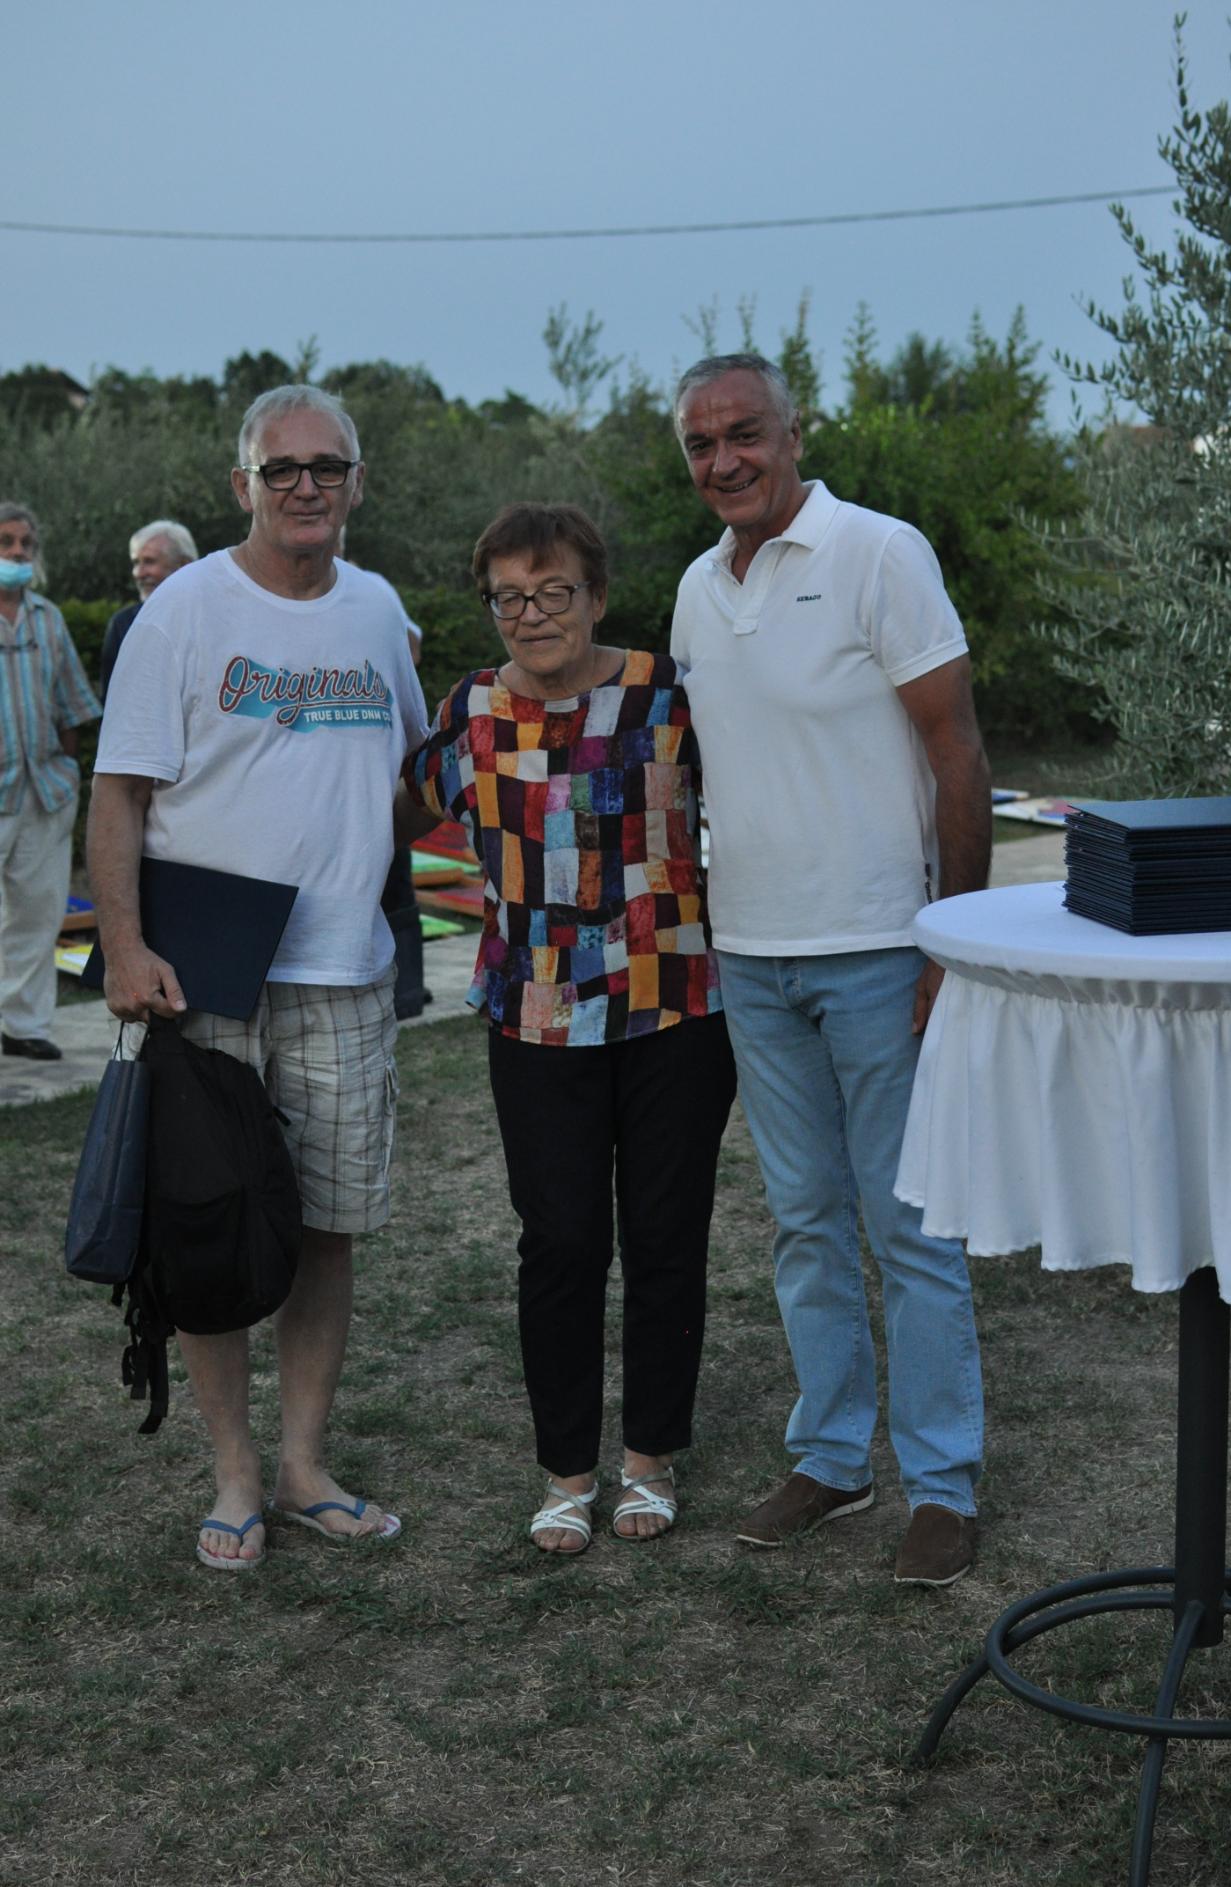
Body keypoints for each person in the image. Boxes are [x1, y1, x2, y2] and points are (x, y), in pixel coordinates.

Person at [88, 385, 428, 1571]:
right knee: (209, 1225)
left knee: (326, 1228)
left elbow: (408, 779)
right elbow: (119, 792)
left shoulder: (379, 612)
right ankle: (233, 1474)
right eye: (280, 469)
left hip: (342, 971)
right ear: (243, 485)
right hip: (206, 979)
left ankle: (302, 1467)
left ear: (356, 483)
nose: (304, 487)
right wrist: (123, 948)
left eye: (326, 467)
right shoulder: (181, 610)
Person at [670, 354, 991, 1586]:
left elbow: (955, 750)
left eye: (743, 433)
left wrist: (950, 940)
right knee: (803, 1223)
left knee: (908, 1227)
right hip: (752, 956)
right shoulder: (697, 588)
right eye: (701, 445)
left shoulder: (878, 553)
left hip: (880, 948)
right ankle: (832, 1457)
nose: (724, 461)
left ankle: (942, 1484)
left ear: (792, 432)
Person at [400, 503, 736, 1554]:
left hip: (672, 1003)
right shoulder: (469, 709)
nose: (532, 614)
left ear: (596, 595)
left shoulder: (667, 692)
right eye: (508, 596)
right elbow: (397, 807)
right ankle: (565, 1472)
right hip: (535, 1016)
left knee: (666, 1237)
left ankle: (649, 1458)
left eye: (553, 591)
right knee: (558, 1244)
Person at [0, 503, 101, 1062]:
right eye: (6, 542)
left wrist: (67, 771)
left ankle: (23, 1026)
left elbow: (72, 708)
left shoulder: (48, 618)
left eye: (25, 544)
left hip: (44, 792)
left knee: (37, 916)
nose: (17, 552)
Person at [98, 520, 198, 701]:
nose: (139, 573)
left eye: (149, 562)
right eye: (136, 562)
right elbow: (112, 701)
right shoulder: (123, 624)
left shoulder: (212, 617)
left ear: (183, 564)